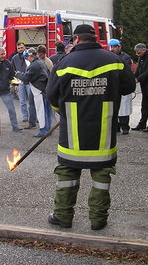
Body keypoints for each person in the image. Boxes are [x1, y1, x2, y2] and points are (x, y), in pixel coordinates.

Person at [45, 24, 136, 231]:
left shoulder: (64, 63)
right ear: (95, 38)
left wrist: (62, 111)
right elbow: (129, 87)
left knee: (67, 175)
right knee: (101, 179)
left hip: (72, 135)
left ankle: (63, 217)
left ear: (76, 39)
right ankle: (98, 220)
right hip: (103, 133)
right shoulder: (114, 60)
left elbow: (51, 95)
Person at [15, 47, 51, 137]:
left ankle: (43, 130)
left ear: (31, 56)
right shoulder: (40, 63)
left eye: (27, 57)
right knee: (45, 111)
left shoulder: (34, 65)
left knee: (41, 111)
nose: (27, 58)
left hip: (39, 90)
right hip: (43, 89)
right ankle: (47, 129)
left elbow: (26, 78)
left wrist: (17, 74)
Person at [109, 39, 135, 134]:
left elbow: (126, 72)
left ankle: (125, 127)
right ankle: (116, 127)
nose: (113, 49)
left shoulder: (126, 57)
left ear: (119, 47)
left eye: (115, 47)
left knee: (124, 109)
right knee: (115, 108)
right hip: (114, 86)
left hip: (122, 85)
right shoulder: (110, 56)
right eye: (112, 47)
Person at [10, 41, 37, 128]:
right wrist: (15, 84)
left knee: (32, 101)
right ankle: (25, 117)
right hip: (20, 82)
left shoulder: (28, 57)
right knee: (22, 101)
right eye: (18, 48)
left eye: (22, 47)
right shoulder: (14, 58)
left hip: (29, 82)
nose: (20, 49)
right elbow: (13, 71)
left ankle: (34, 117)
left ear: (24, 47)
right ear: (16, 49)